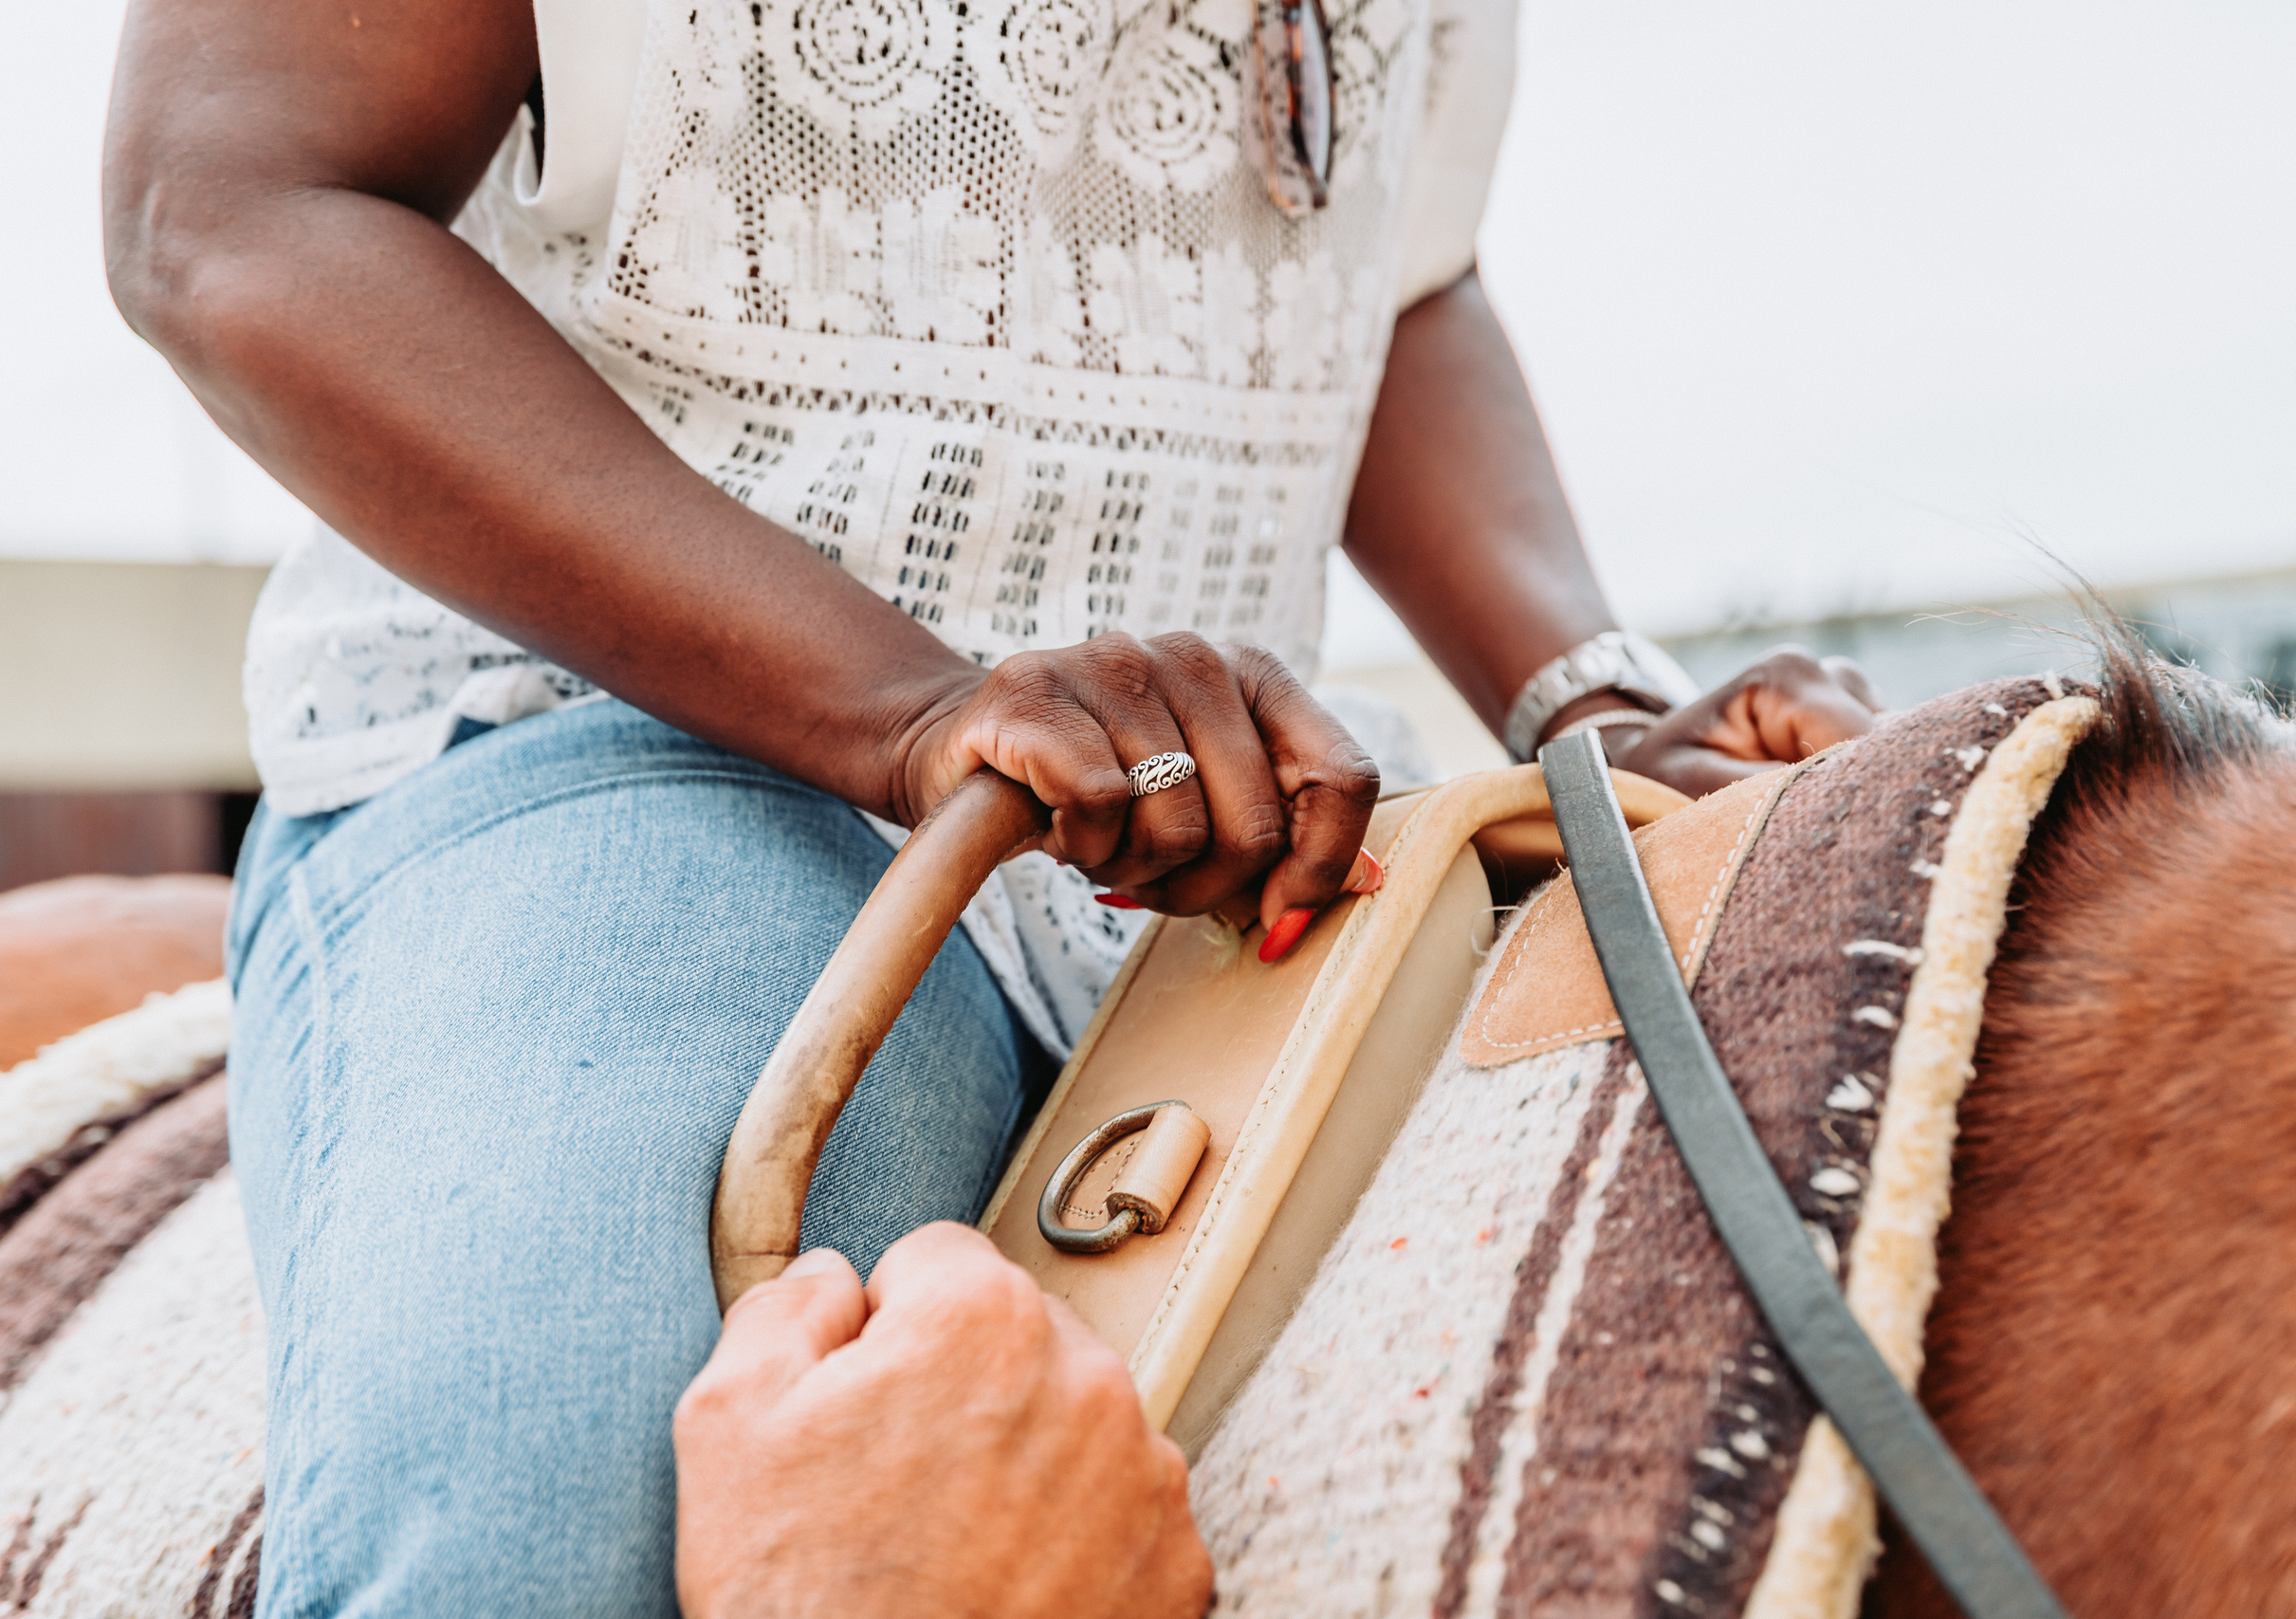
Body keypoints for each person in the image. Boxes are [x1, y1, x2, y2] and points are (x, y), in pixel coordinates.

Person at [101, 0, 1881, 1607]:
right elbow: (236, 203)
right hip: (609, 740)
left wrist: (1585, 692)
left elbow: (1393, 266)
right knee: (570, 1528)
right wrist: (913, 704)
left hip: (1211, 830)